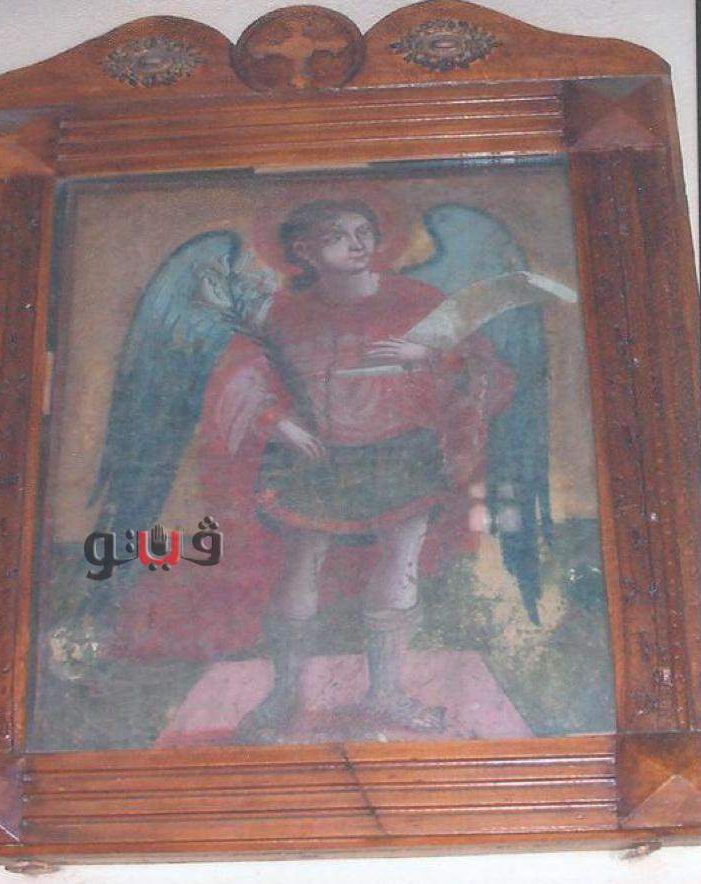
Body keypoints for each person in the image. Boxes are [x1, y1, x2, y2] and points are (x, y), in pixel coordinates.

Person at [202, 198, 516, 742]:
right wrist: (280, 424)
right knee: (302, 563)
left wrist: (429, 357)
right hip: (315, 456)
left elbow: (484, 369)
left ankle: (387, 694)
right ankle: (285, 694)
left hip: (401, 449)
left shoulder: (419, 300)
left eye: (364, 231)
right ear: (304, 251)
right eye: (337, 235)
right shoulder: (279, 312)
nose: (357, 243)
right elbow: (242, 374)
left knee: (401, 558)